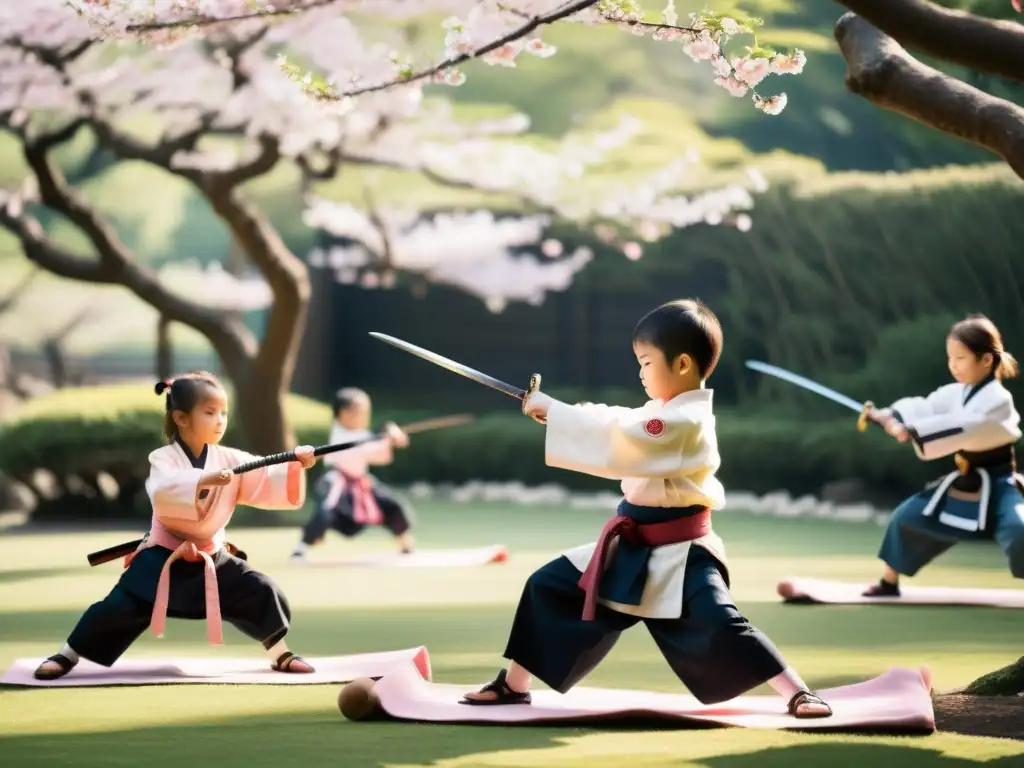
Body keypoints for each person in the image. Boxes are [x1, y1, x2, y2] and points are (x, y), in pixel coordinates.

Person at [460, 299, 832, 718]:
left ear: (684, 364)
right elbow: (619, 420)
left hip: (684, 552)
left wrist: (560, 415)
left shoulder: (686, 422)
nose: (640, 372)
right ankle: (513, 685)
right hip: (631, 544)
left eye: (646, 361)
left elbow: (630, 440)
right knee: (548, 586)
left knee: (721, 621)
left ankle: (799, 692)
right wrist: (562, 413)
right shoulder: (662, 412)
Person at [33, 371, 319, 680]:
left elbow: (265, 475)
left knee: (259, 589)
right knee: (119, 606)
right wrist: (206, 479)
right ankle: (68, 654)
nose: (220, 420)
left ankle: (280, 653)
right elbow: (163, 491)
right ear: (181, 418)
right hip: (164, 554)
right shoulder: (163, 458)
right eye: (210, 413)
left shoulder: (229, 457)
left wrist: (294, 464)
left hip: (212, 555)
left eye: (223, 413)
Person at [863, 314, 1024, 597]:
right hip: (966, 480)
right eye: (951, 358)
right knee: (907, 516)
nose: (953, 365)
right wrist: (890, 414)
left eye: (961, 357)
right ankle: (889, 582)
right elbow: (926, 407)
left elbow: (965, 426)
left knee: (1019, 528)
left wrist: (911, 431)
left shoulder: (998, 399)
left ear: (986, 360)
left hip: (1001, 483)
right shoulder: (955, 393)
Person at [290, 387, 416, 561]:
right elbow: (362, 449)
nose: (363, 416)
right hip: (337, 480)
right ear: (341, 413)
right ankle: (300, 548)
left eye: (365, 411)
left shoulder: (362, 434)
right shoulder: (340, 435)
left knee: (393, 505)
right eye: (356, 411)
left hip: (360, 480)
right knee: (325, 511)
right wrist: (388, 438)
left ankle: (405, 545)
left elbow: (377, 454)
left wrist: (390, 436)